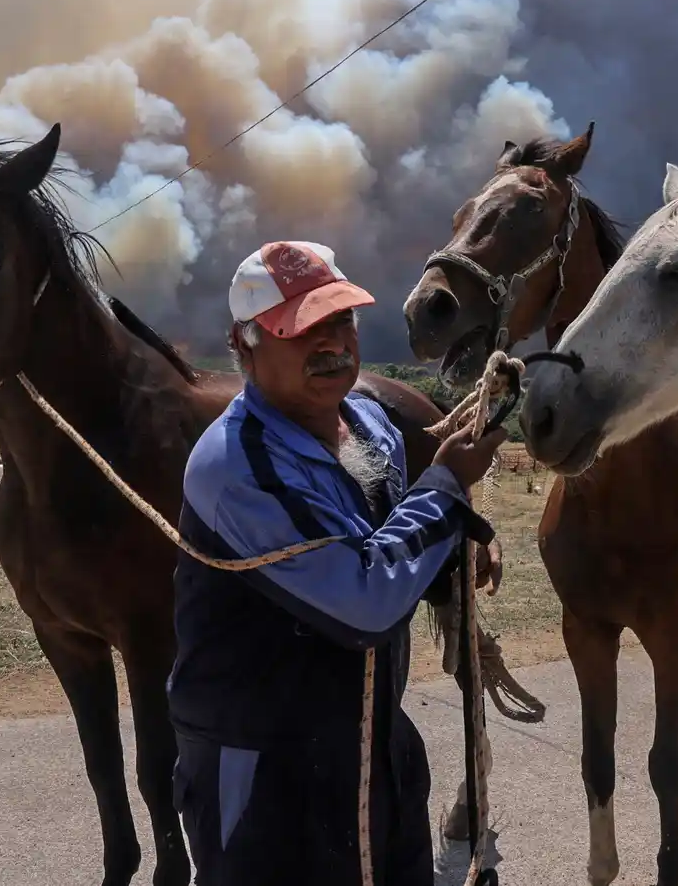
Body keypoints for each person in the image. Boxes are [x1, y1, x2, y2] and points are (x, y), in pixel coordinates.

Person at [168, 239, 507, 886]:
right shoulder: (238, 467)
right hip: (264, 773)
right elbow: (363, 599)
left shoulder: (369, 424)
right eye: (301, 330)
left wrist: (456, 541)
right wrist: (446, 491)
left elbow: (385, 541)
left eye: (340, 320)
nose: (331, 344)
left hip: (369, 751)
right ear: (246, 347)